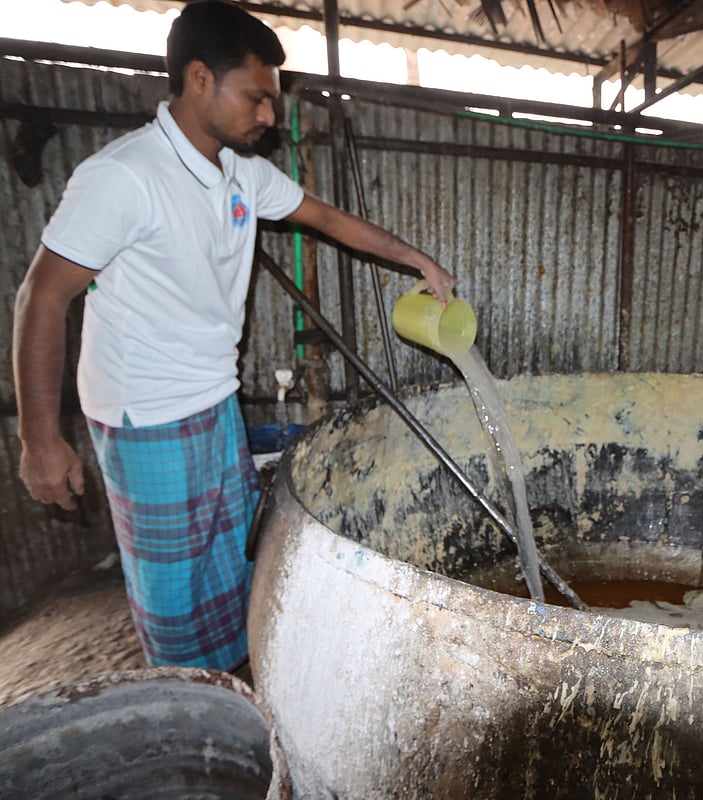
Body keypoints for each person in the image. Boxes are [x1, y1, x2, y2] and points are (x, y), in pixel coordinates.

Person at [11, 0, 454, 673]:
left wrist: (416, 260)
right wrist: (39, 440)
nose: (269, 115)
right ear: (198, 80)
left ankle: (238, 679)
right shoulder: (125, 177)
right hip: (147, 414)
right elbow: (42, 297)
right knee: (175, 590)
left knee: (234, 554)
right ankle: (190, 699)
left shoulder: (241, 172)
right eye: (256, 97)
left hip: (215, 400)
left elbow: (327, 219)